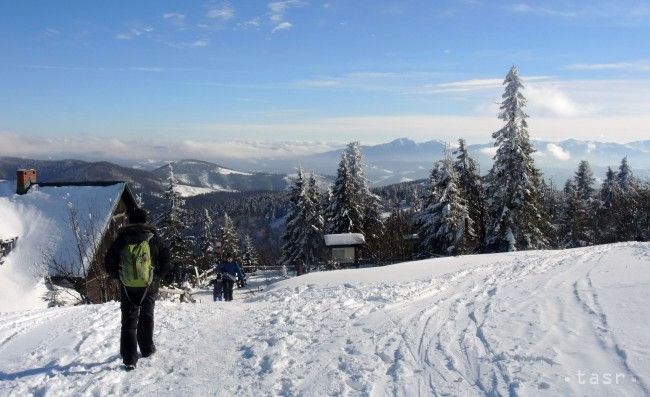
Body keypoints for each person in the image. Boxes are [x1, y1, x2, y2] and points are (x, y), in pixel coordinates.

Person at [105, 208, 171, 371]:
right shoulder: (152, 238)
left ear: (130, 220)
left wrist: (118, 276)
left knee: (128, 321)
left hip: (127, 287)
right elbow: (167, 259)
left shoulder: (122, 238)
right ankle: (147, 349)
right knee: (146, 317)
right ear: (145, 220)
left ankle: (129, 359)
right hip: (149, 286)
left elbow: (109, 261)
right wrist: (157, 276)